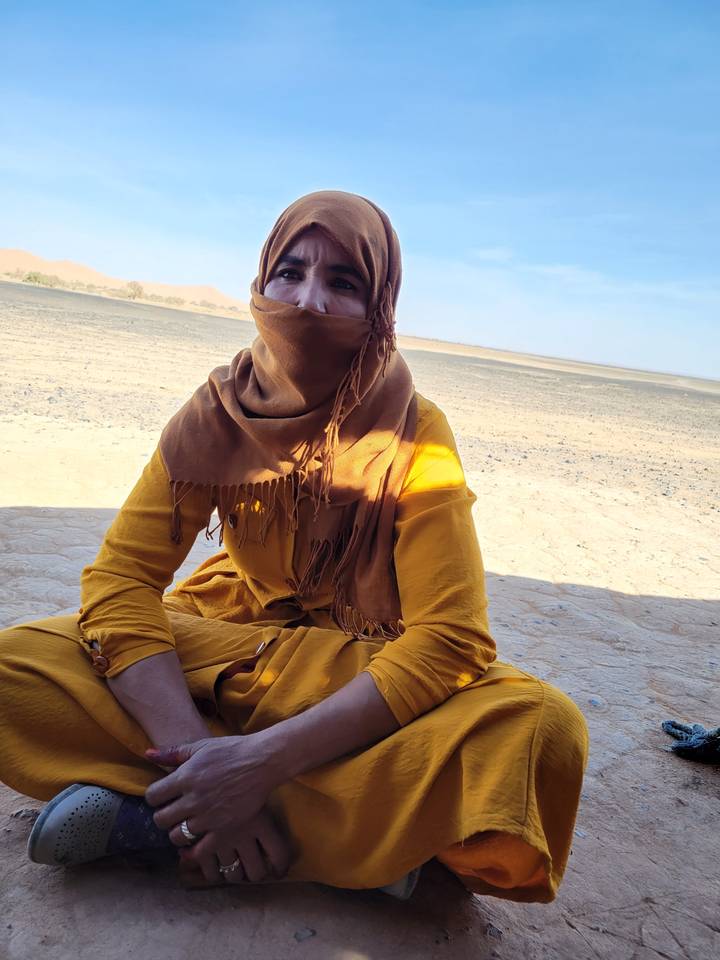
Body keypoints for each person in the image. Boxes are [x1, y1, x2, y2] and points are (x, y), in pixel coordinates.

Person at [0, 190, 589, 902]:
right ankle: (360, 844)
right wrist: (209, 756)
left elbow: (450, 640)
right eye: (291, 271)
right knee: (17, 669)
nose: (308, 301)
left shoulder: (414, 431)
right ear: (261, 280)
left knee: (538, 731)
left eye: (343, 282)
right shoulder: (215, 414)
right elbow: (121, 582)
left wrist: (260, 763)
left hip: (358, 672)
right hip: (232, 643)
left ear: (380, 307)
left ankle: (162, 824)